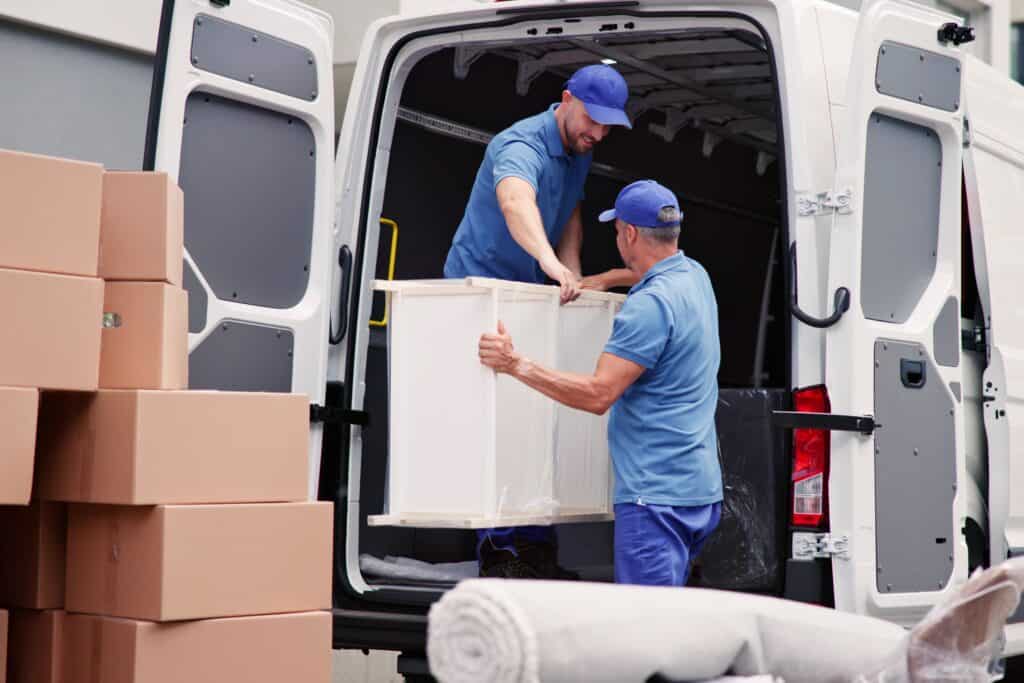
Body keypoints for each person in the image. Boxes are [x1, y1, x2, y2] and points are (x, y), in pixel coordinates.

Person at [478, 180, 723, 587]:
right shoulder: (695, 277)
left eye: (617, 229)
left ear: (630, 234)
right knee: (677, 616)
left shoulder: (648, 307)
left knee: (647, 623)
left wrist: (515, 364)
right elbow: (650, 271)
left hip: (655, 501)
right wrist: (607, 279)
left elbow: (598, 394)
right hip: (699, 492)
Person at [444, 63, 633, 579]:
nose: (598, 134)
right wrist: (550, 264)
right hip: (480, 295)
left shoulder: (578, 149)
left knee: (536, 418)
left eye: (608, 126)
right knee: (498, 425)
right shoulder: (521, 145)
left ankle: (537, 548)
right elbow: (515, 201)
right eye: (592, 120)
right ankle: (501, 552)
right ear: (566, 99)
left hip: (528, 294)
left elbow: (569, 210)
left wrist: (570, 269)